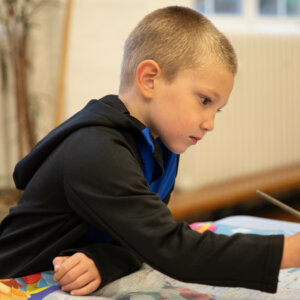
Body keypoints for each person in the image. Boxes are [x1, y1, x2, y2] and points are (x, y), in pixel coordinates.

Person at [0, 5, 300, 297]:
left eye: (217, 110)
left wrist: (104, 261)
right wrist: (288, 251)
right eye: (204, 101)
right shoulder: (96, 151)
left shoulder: (163, 146)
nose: (209, 123)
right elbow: (169, 248)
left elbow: (139, 239)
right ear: (149, 79)